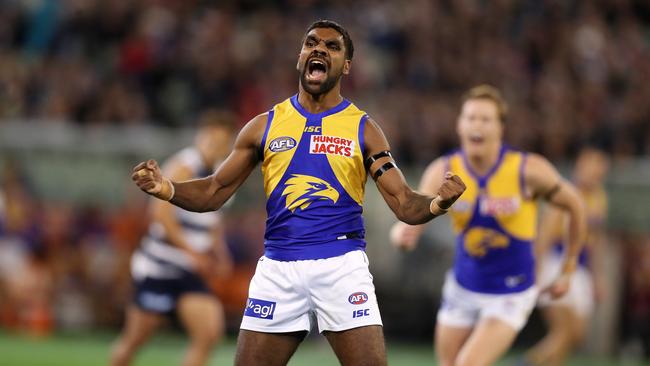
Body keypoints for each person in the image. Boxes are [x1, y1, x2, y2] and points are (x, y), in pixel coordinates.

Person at [131, 20, 466, 366]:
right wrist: (167, 188)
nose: (319, 49)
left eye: (332, 46)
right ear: (300, 56)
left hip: (341, 266)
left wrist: (439, 202)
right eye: (311, 43)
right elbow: (214, 190)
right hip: (278, 269)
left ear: (346, 66)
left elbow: (404, 202)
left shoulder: (364, 129)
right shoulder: (264, 125)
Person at [390, 85, 587, 366]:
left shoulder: (527, 170)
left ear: (500, 128)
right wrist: (401, 235)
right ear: (459, 125)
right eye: (470, 118)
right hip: (463, 286)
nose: (476, 125)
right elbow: (411, 222)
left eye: (485, 119)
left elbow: (575, 205)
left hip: (510, 293)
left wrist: (568, 269)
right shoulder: (442, 171)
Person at [111, 110, 235, 366]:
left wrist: (220, 252)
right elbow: (160, 216)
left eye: (222, 142)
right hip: (161, 266)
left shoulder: (222, 174)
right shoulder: (184, 165)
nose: (215, 146)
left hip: (190, 269)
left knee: (209, 333)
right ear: (201, 137)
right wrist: (192, 253)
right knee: (136, 338)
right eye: (211, 139)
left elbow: (213, 221)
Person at [525, 147, 610, 366]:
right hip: (556, 263)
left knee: (576, 335)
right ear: (580, 166)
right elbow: (544, 234)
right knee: (563, 332)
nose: (594, 172)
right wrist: (535, 271)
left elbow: (595, 241)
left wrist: (597, 277)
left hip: (579, 269)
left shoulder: (598, 197)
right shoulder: (565, 194)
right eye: (590, 165)